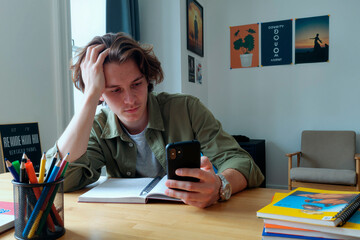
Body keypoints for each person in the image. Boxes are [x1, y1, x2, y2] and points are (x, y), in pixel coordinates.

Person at [46, 32, 264, 208]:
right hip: (130, 226)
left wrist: (219, 186)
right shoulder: (97, 125)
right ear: (100, 93)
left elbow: (243, 162)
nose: (130, 100)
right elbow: (55, 181)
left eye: (136, 84)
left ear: (148, 78)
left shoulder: (187, 108)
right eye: (115, 90)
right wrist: (89, 98)